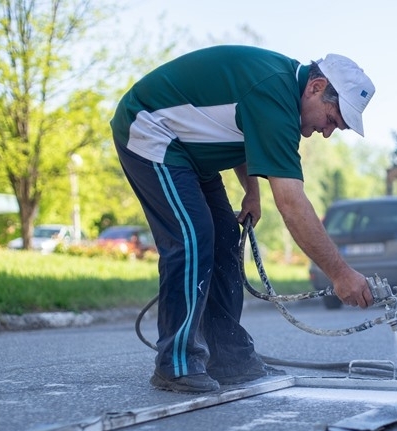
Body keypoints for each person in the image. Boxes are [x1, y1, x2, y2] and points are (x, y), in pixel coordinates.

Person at [110, 45, 377, 393]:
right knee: (193, 238)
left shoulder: (281, 93)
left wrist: (251, 192)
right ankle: (175, 362)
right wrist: (341, 275)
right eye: (332, 119)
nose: (327, 132)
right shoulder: (274, 96)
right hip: (151, 131)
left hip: (191, 152)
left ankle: (228, 357)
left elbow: (241, 133)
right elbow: (293, 204)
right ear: (316, 87)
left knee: (224, 240)